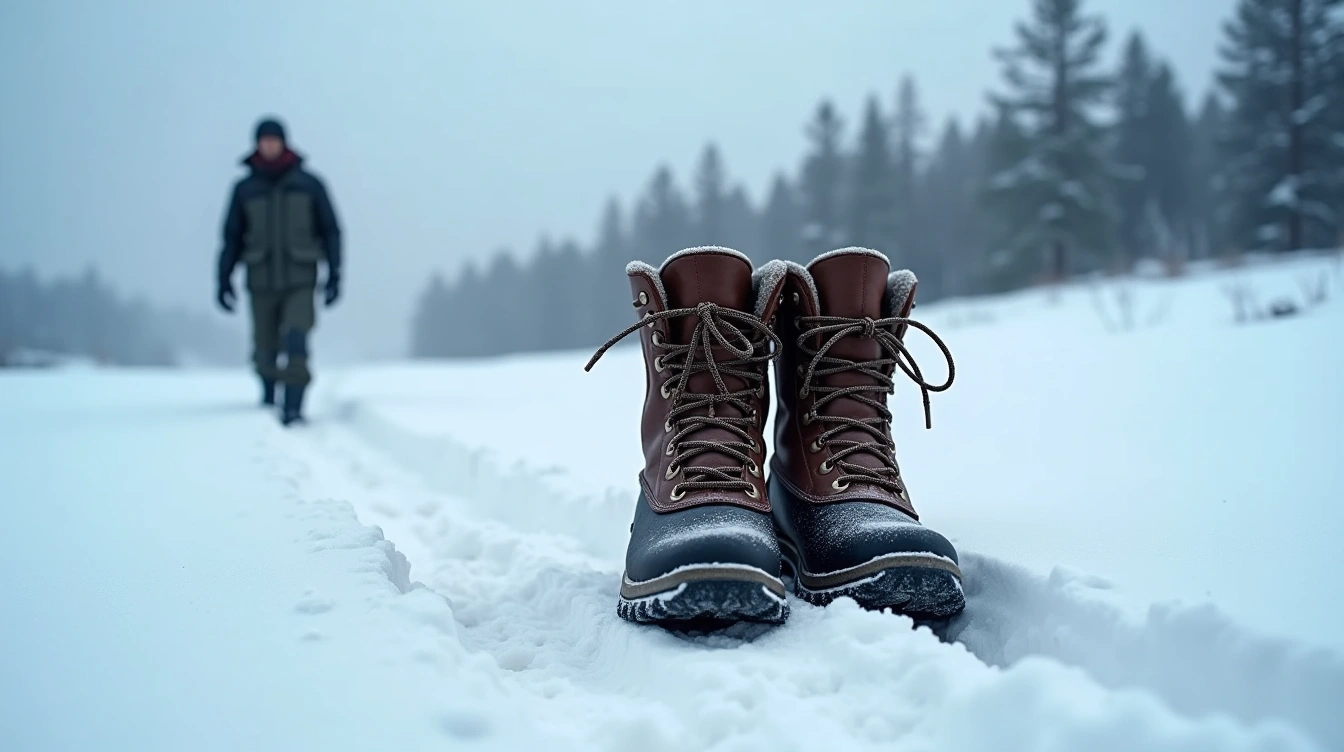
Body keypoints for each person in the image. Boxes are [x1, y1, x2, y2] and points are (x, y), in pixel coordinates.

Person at [216, 117, 342, 425]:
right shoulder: (245, 189)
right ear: (257, 144)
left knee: (297, 338)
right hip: (260, 281)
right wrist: (223, 279)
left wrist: (335, 274)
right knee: (265, 349)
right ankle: (270, 391)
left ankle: (294, 406)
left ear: (284, 142)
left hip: (301, 278)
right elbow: (231, 237)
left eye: (274, 140)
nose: (269, 145)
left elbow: (331, 230)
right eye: (264, 140)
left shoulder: (310, 185)